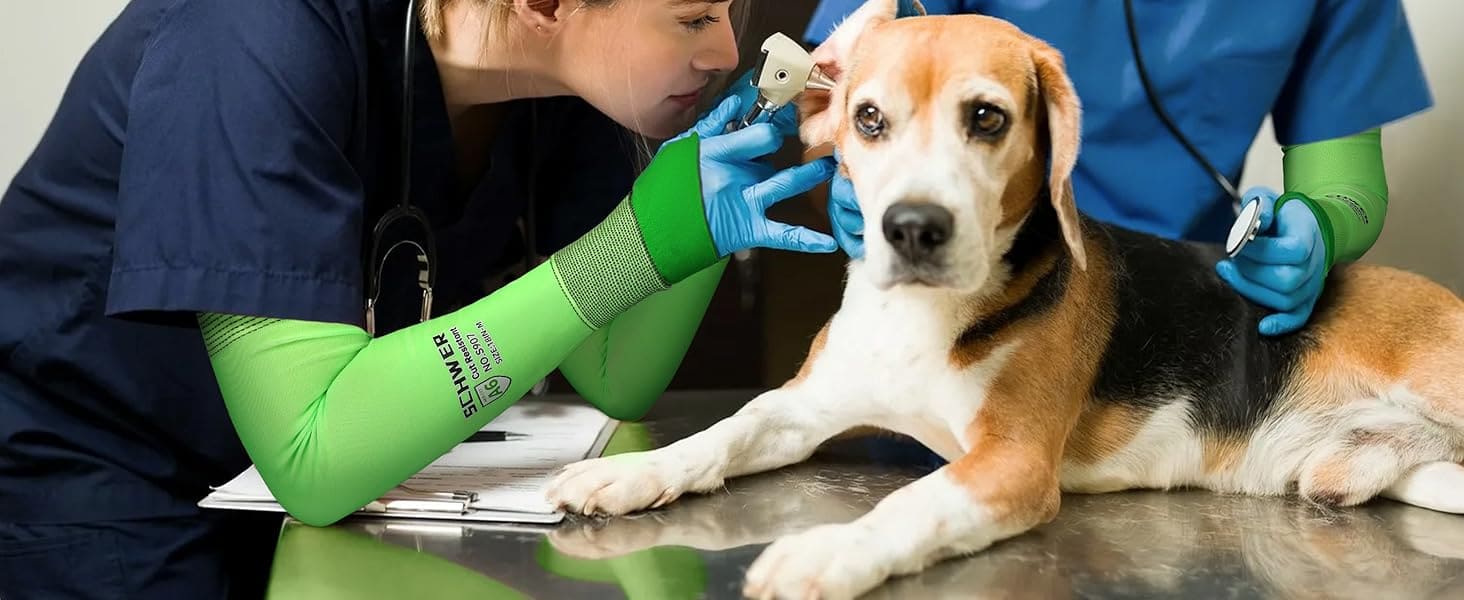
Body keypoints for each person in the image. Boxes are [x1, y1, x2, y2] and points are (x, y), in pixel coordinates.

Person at [0, 0, 837, 597]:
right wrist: (624, 254)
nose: (725, 51)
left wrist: (701, 218)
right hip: (99, 471)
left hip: (307, 487)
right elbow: (315, 454)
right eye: (693, 18)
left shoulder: (564, 79)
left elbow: (615, 372)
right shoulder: (249, 38)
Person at [807, 0, 1433, 335]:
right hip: (972, 289)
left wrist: (1319, 227)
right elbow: (841, 103)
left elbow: (1344, 184)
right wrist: (851, 184)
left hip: (1183, 307)